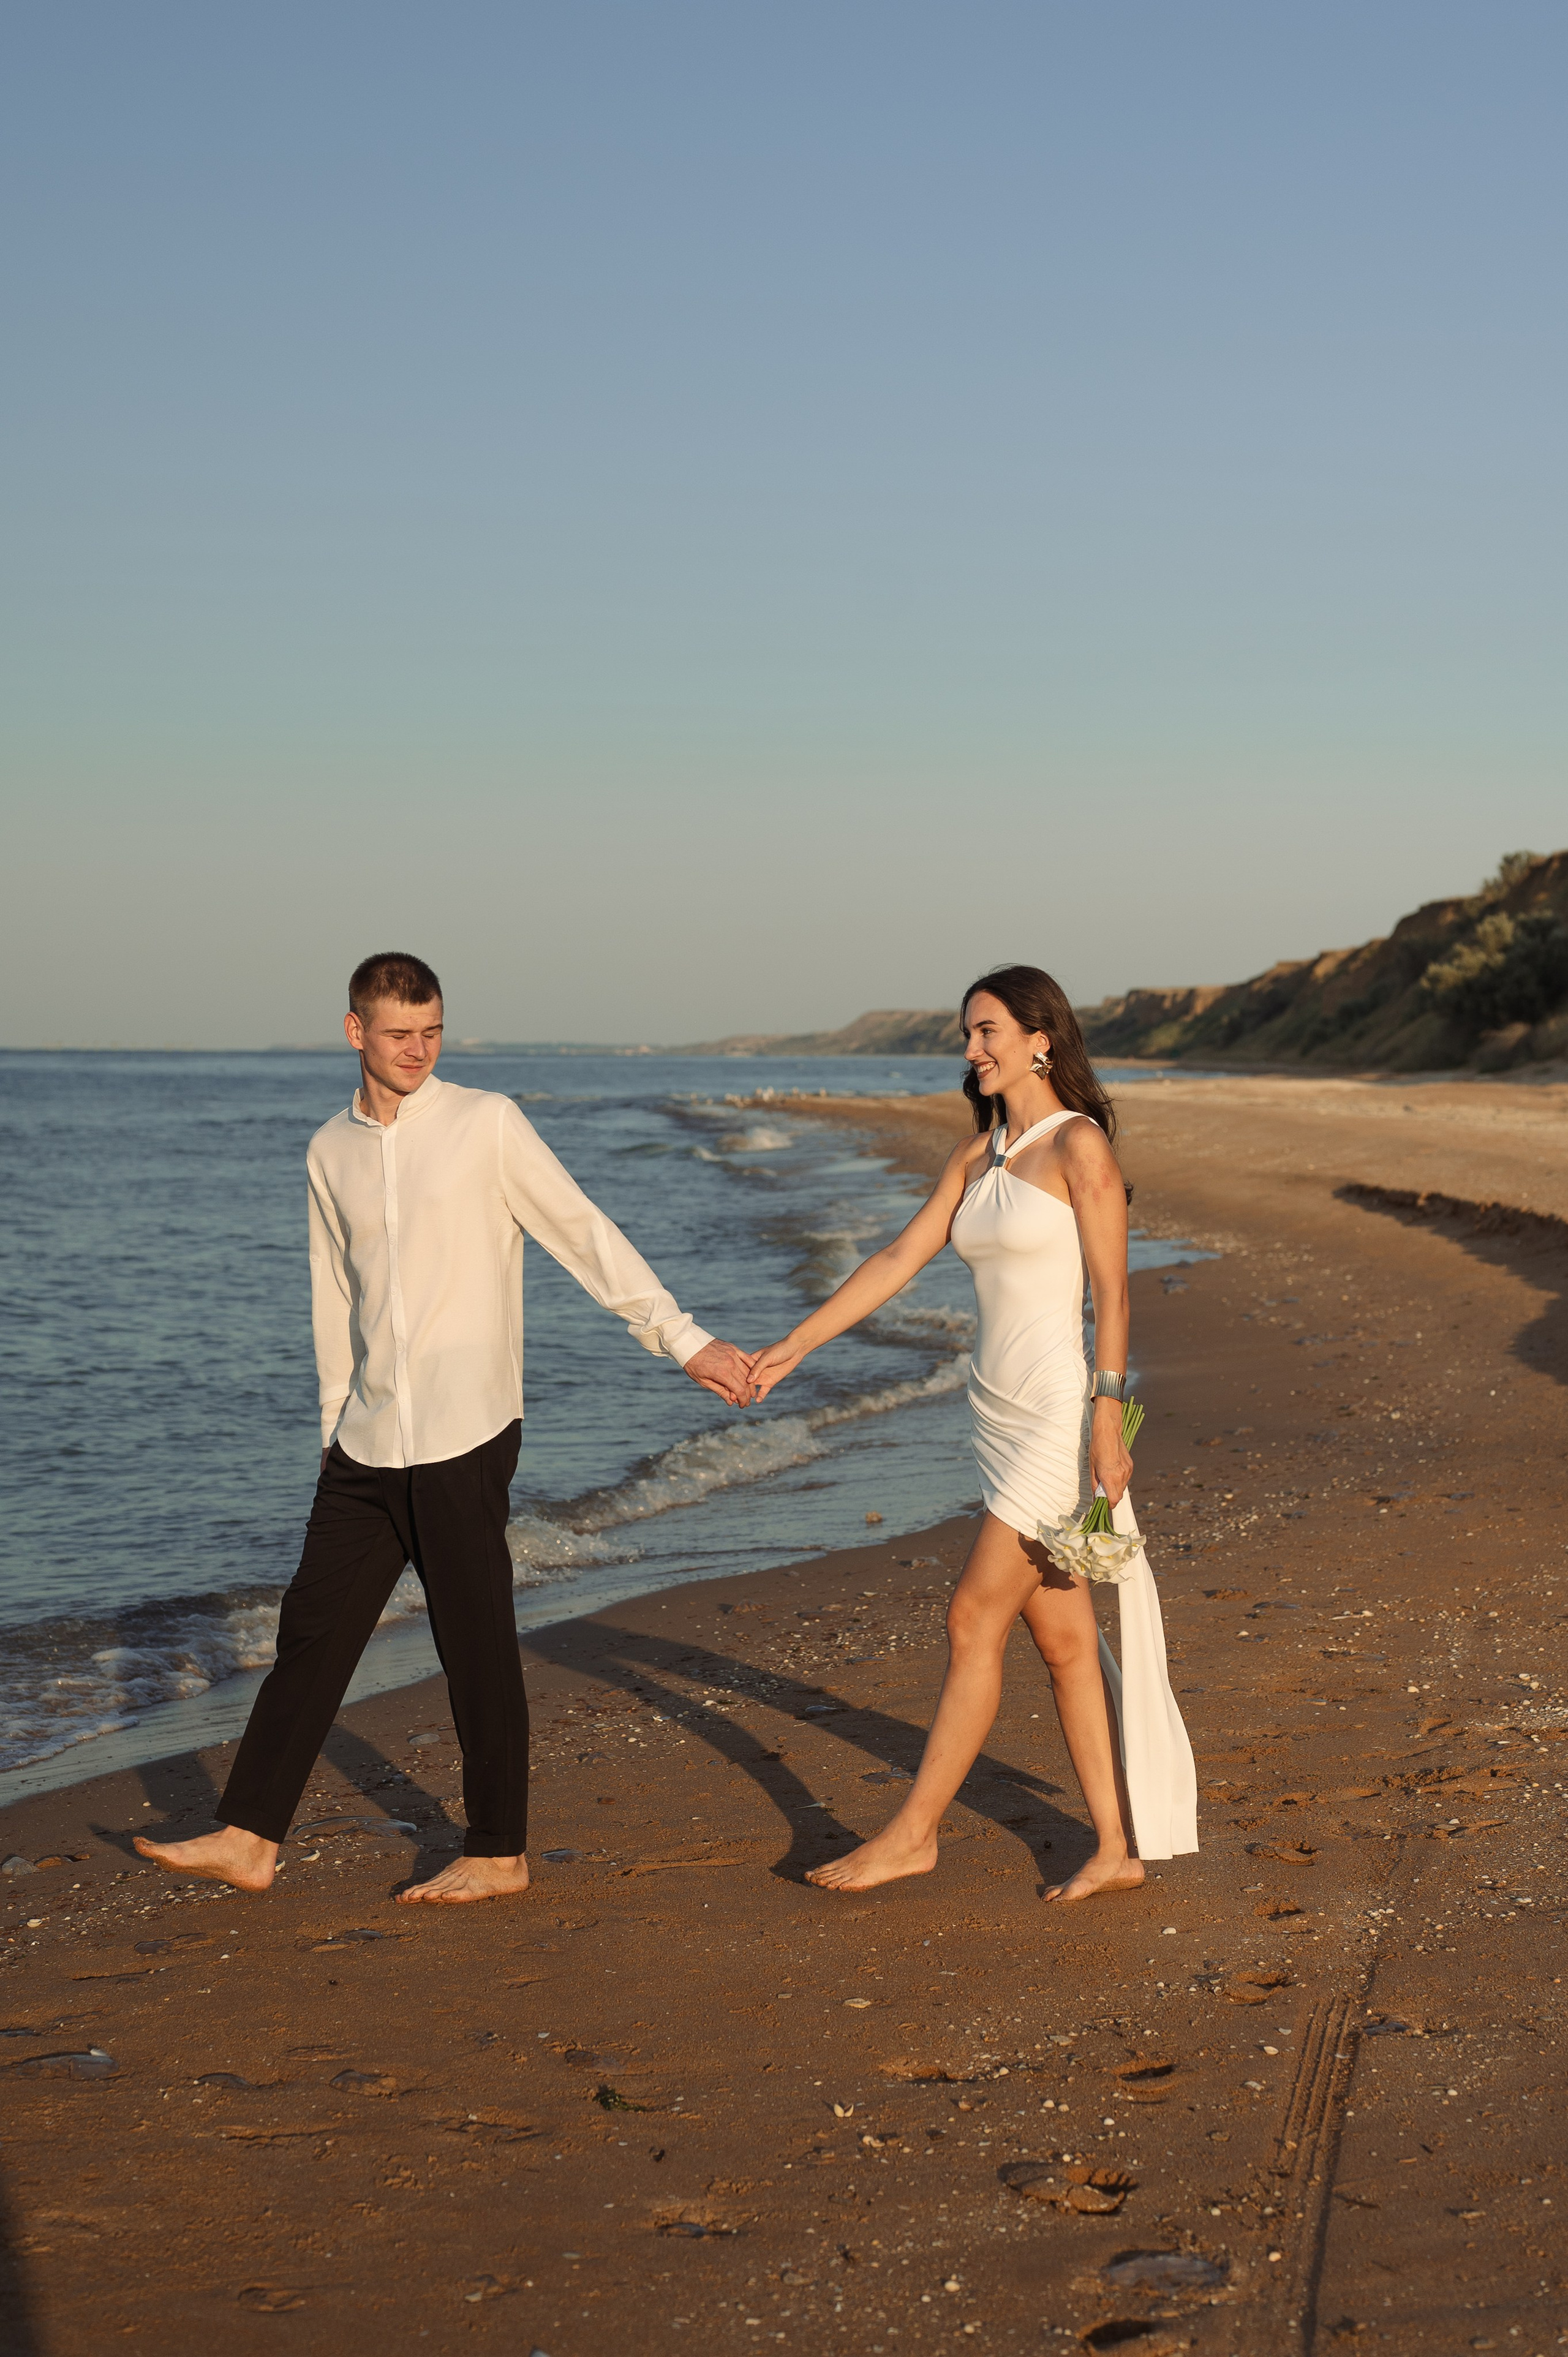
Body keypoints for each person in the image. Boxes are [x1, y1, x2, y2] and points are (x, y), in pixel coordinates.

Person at [136, 952, 753, 1904]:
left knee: (475, 1641)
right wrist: (334, 1426)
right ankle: (250, 1835)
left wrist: (684, 1341)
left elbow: (582, 1232)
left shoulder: (484, 1123)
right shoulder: (327, 1149)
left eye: (431, 1031)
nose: (418, 1049)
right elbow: (333, 1294)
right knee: (311, 1633)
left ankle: (499, 1849)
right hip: (367, 1439)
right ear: (355, 1031)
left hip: (467, 1431)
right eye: (398, 1033)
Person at [748, 964, 1197, 1899]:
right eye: (967, 1035)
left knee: (970, 1618)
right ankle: (1115, 1850)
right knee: (1066, 1647)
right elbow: (899, 1257)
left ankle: (913, 1834)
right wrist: (796, 1344)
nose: (971, 1050)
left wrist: (1108, 1423)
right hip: (992, 1414)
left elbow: (1114, 1293)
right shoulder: (976, 1157)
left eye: (986, 1031)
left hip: (1056, 1415)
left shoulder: (1081, 1151)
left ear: (1042, 1038)